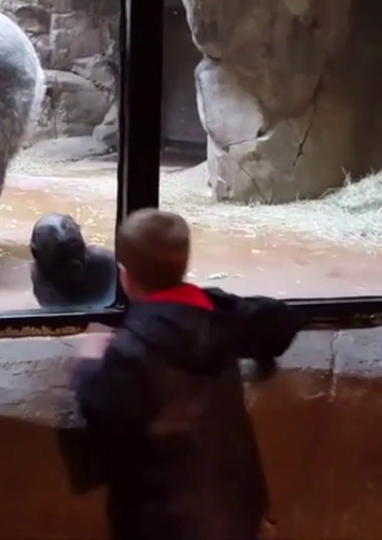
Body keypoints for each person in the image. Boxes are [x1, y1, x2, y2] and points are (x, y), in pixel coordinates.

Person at [60, 208, 304, 540]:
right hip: (237, 513)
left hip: (167, 524)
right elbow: (282, 321)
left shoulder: (130, 351)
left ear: (124, 277)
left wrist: (87, 365)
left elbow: (101, 442)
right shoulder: (220, 315)